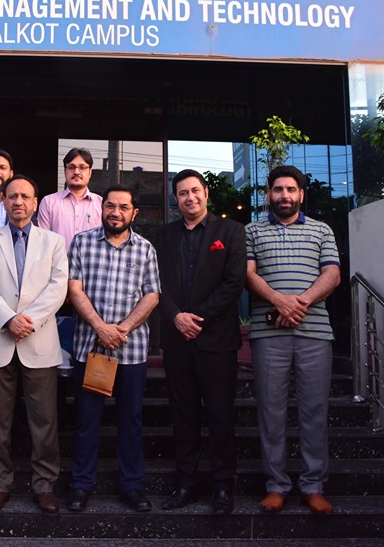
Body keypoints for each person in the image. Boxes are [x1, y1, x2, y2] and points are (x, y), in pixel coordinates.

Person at [245, 164, 341, 515]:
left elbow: (332, 274)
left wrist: (299, 302)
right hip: (268, 334)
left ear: (301, 194)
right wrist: (278, 300)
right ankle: (276, 485)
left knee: (315, 411)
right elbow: (247, 274)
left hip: (314, 333)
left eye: (290, 189)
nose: (284, 195)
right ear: (268, 193)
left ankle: (313, 485)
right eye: (278, 189)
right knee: (271, 411)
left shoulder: (322, 230)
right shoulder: (252, 231)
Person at [0, 175, 68, 514]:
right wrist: (8, 319)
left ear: (35, 202)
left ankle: (44, 485)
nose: (18, 202)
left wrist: (27, 321)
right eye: (13, 196)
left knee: (44, 421)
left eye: (25, 196)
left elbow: (58, 286)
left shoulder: (53, 241)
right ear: (5, 201)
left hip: (38, 341)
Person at [154, 169, 247, 514]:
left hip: (217, 341)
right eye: (182, 193)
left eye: (195, 190)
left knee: (221, 415)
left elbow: (234, 283)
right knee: (183, 415)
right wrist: (176, 316)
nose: (189, 197)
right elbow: (156, 283)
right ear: (175, 200)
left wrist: (196, 317)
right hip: (177, 340)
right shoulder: (164, 236)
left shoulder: (231, 231)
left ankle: (222, 486)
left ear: (206, 193)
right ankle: (186, 484)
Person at [66, 185, 160, 513]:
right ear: (101, 208)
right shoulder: (82, 242)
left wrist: (123, 329)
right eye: (110, 206)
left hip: (130, 352)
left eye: (123, 207)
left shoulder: (145, 249)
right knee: (86, 421)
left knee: (130, 421)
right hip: (90, 349)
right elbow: (73, 289)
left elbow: (152, 294)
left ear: (134, 212)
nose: (115, 212)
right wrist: (100, 327)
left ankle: (132, 486)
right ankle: (81, 485)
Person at [36, 147, 103, 252]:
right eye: (71, 167)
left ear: (90, 172)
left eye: (82, 167)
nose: (76, 172)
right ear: (65, 171)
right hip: (57, 262)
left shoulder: (101, 204)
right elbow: (43, 242)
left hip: (91, 262)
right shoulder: (49, 202)